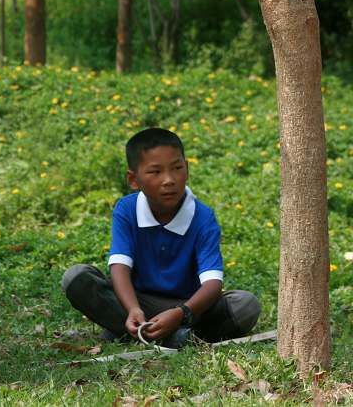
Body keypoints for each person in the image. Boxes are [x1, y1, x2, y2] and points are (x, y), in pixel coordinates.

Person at [61, 128, 260, 348]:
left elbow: (213, 283)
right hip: (138, 301)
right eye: (155, 172)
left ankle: (144, 333)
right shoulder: (127, 210)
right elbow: (119, 266)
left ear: (187, 168)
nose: (169, 180)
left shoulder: (202, 217)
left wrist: (181, 313)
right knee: (76, 277)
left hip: (187, 307)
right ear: (133, 179)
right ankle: (171, 337)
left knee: (245, 305)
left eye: (177, 168)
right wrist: (133, 309)